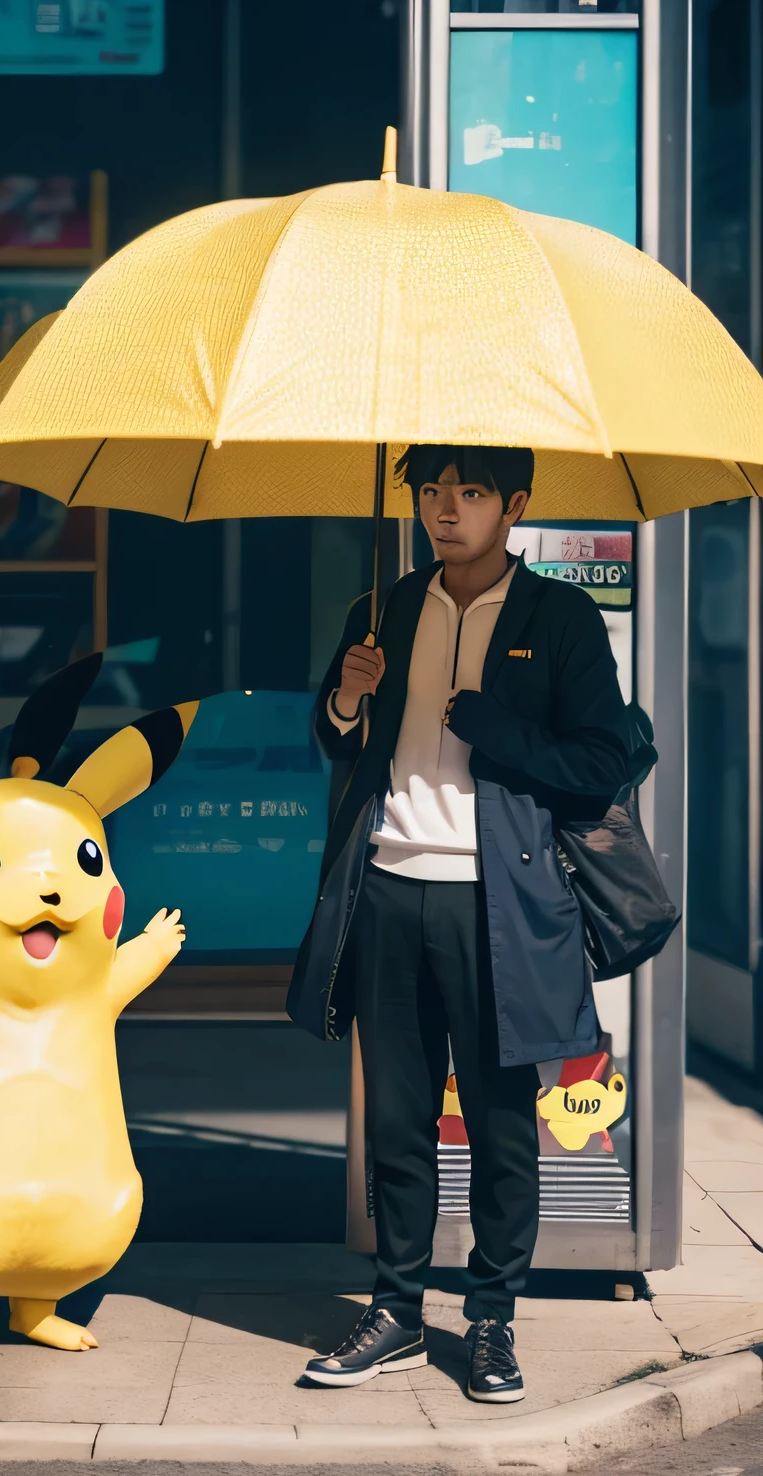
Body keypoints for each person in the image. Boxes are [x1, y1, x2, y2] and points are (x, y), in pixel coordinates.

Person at [288, 444, 629, 1401]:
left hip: (499, 904)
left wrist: (489, 723)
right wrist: (348, 693)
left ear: (514, 504)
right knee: (396, 1117)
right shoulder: (385, 604)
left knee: (498, 1122)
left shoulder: (560, 617)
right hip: (388, 886)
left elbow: (600, 762)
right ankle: (396, 1309)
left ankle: (491, 1320)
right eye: (432, 490)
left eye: (470, 492)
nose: (447, 509)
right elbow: (334, 736)